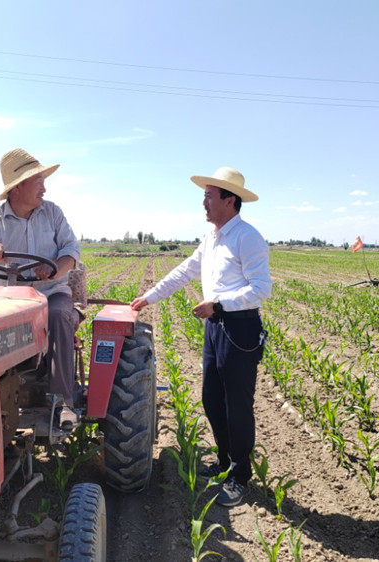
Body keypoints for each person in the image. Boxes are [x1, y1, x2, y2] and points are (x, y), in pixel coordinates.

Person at [131, 166, 272, 507]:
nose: (204, 203)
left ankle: (240, 476)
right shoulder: (212, 238)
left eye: (209, 196)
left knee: (237, 404)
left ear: (230, 200)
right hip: (215, 327)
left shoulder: (247, 237)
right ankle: (224, 462)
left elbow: (261, 289)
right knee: (212, 398)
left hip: (238, 328)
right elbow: (184, 271)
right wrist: (148, 298)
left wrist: (219, 305)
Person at [0, 148, 81, 429]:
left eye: (43, 180)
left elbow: (71, 249)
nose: (44, 187)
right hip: (9, 299)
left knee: (57, 316)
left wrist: (54, 267)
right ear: (18, 187)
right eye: (38, 181)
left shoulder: (52, 213)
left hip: (51, 293)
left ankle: (63, 401)